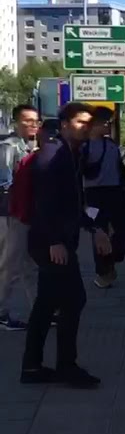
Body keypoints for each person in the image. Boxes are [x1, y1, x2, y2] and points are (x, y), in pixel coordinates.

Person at [21, 102, 110, 388]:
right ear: (63, 125)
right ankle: (66, 367)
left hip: (54, 241)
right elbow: (44, 203)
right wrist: (55, 241)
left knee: (47, 303)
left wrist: (94, 228)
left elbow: (73, 203)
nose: (86, 127)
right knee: (73, 300)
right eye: (80, 122)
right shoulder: (52, 155)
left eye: (88, 123)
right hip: (49, 243)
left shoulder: (72, 154)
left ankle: (32, 368)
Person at [0, 105, 41, 330]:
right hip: (11, 214)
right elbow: (5, 181)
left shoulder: (29, 146)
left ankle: (41, 310)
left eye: (36, 120)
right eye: (27, 120)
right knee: (9, 266)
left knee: (28, 265)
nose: (33, 124)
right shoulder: (9, 147)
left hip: (24, 213)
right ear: (16, 122)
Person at [82, 107, 125, 289]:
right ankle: (103, 272)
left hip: (115, 192)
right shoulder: (84, 147)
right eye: (107, 122)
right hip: (93, 195)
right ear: (95, 124)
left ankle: (112, 258)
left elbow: (119, 168)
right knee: (99, 232)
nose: (110, 126)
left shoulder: (111, 144)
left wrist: (123, 185)